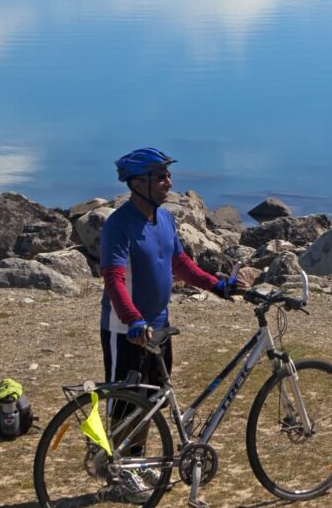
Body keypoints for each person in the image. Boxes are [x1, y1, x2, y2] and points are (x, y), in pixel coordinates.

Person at [99, 148, 241, 386]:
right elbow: (114, 279)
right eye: (160, 177)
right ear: (137, 183)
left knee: (154, 403)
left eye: (168, 176)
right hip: (127, 332)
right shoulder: (118, 225)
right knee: (126, 414)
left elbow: (179, 262)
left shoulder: (165, 218)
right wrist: (132, 319)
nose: (169, 183)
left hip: (158, 326)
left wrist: (216, 285)